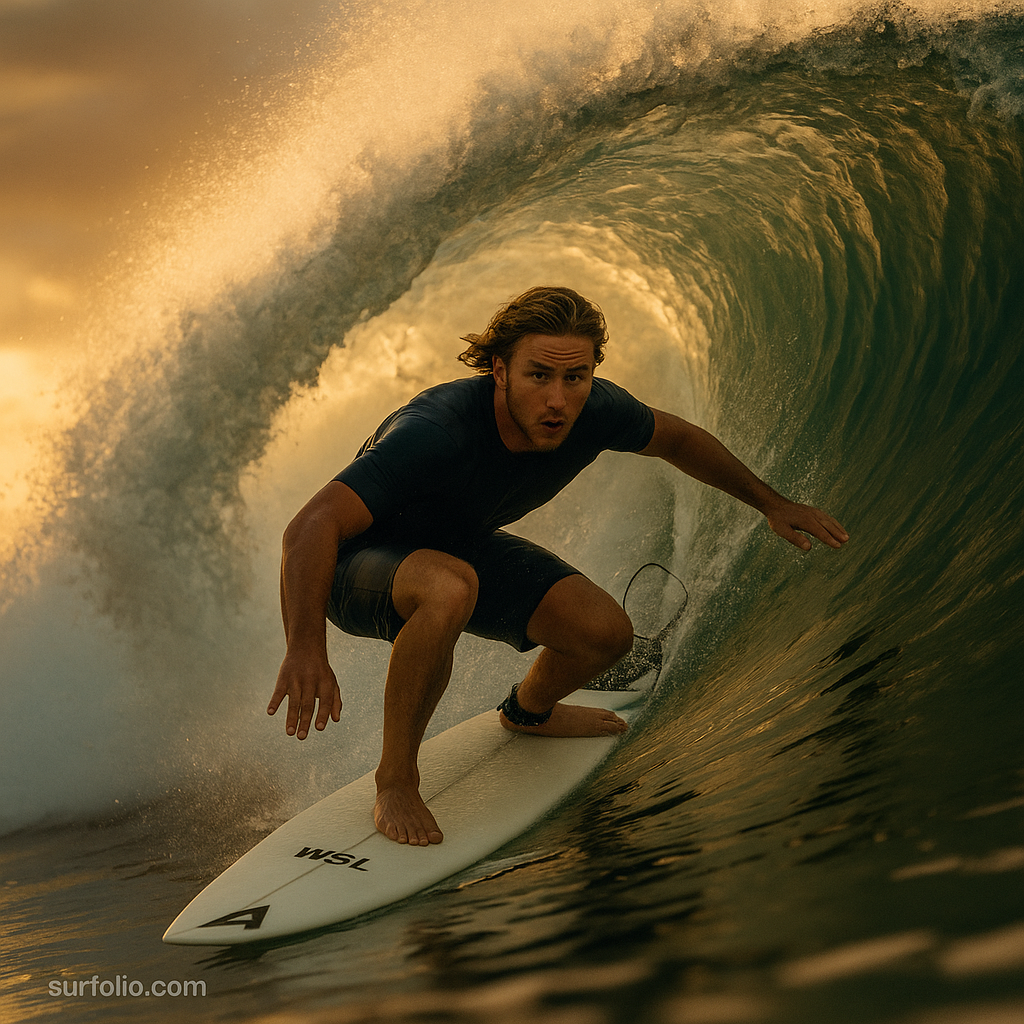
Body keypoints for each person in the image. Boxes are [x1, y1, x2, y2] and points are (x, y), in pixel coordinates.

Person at [268, 286, 849, 847]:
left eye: (576, 378)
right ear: (499, 370)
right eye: (538, 376)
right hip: (351, 566)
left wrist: (773, 503)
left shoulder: (597, 411)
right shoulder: (437, 431)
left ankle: (530, 711)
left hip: (456, 550)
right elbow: (310, 528)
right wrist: (305, 648)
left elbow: (675, 439)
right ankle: (395, 781)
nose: (558, 400)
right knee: (450, 586)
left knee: (603, 634)